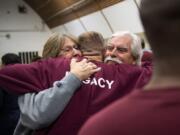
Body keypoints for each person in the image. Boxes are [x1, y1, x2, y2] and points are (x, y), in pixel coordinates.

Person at [0, 31, 152, 135]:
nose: (76, 53)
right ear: (52, 55)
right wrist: (72, 78)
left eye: (77, 47)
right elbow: (36, 118)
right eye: (67, 49)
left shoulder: (95, 72)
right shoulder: (39, 78)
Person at [78, 0, 180, 135]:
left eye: (121, 50)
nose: (112, 53)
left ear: (135, 58)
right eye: (109, 48)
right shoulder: (86, 72)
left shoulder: (143, 76)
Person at [0, 53, 21, 135]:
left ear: (5, 64)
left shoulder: (2, 78)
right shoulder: (26, 76)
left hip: (6, 120)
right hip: (25, 118)